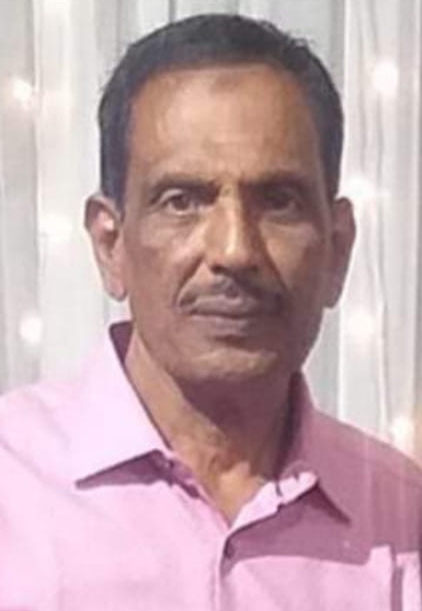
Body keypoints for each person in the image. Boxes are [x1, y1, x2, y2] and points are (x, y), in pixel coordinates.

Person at [0, 13, 420, 611]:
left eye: (279, 201)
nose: (234, 250)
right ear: (110, 245)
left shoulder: (402, 522)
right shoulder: (14, 489)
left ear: (338, 248)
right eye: (182, 201)